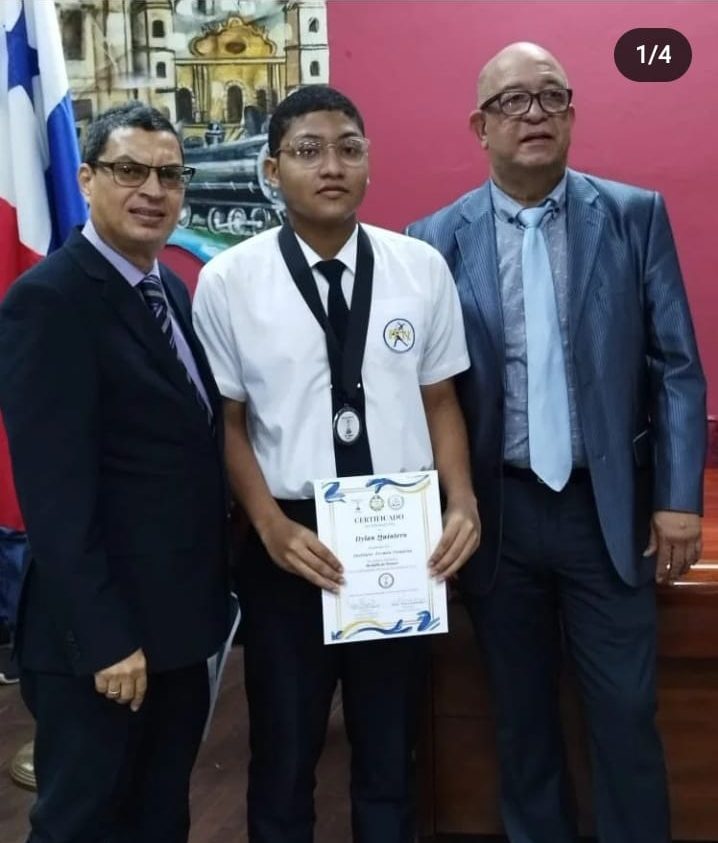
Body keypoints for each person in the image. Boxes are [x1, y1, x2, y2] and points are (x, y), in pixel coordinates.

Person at [408, 42, 706, 843]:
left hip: (606, 511)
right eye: (512, 102)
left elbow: (676, 365)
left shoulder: (633, 215)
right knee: (521, 718)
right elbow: (422, 390)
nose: (533, 114)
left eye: (551, 97)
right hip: (495, 516)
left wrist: (680, 498)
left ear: (572, 114)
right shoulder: (432, 239)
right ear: (480, 126)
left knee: (624, 714)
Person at [192, 84, 481, 843]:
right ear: (271, 167)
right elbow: (227, 421)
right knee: (283, 752)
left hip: (400, 531)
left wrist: (462, 504)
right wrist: (267, 526)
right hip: (289, 536)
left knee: (392, 750)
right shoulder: (229, 280)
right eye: (309, 150)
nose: (332, 165)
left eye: (349, 148)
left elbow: (442, 400)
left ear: (368, 164)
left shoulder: (419, 267)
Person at [0, 102, 230, 843]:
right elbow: (55, 495)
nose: (153, 189)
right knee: (82, 821)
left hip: (176, 626)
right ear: (88, 178)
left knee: (159, 813)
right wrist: (106, 639)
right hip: (99, 639)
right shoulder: (50, 300)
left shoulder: (170, 290)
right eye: (130, 170)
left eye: (169, 174)